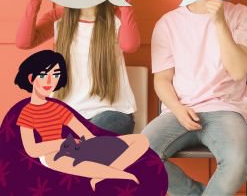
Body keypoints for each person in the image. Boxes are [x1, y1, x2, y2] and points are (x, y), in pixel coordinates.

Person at [142, 0, 247, 196]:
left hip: (227, 110)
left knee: (237, 161)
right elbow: (162, 80)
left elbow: (238, 71)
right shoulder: (168, 23)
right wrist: (177, 109)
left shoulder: (240, 14)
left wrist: (219, 21)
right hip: (180, 111)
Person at [15, 0, 140, 135]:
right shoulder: (59, 18)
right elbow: (23, 42)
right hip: (67, 114)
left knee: (77, 141)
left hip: (113, 114)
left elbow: (130, 45)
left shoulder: (118, 16)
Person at [15, 50, 148, 191]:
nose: (50, 81)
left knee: (141, 142)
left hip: (79, 149)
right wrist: (62, 143)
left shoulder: (60, 108)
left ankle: (103, 177)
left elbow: (88, 134)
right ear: (31, 79)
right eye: (43, 75)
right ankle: (111, 176)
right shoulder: (27, 112)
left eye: (55, 75)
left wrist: (90, 142)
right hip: (56, 156)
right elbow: (32, 150)